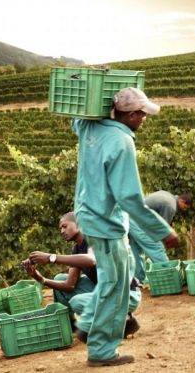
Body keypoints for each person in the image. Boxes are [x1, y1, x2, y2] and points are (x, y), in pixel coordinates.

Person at [72, 87, 181, 367]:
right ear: (130, 115)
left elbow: (76, 117)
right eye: (142, 115)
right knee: (116, 285)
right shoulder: (122, 142)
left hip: (89, 216)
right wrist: (162, 231)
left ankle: (88, 326)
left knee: (117, 278)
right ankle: (101, 350)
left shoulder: (89, 127)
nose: (144, 119)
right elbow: (129, 197)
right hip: (106, 222)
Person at [23, 212, 97, 310]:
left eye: (65, 226)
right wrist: (40, 278)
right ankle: (68, 323)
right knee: (59, 278)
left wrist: (51, 258)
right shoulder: (76, 249)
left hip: (114, 289)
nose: (62, 231)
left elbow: (91, 259)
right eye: (61, 228)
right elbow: (69, 285)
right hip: (98, 285)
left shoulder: (93, 238)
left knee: (77, 302)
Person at [132, 191, 191, 282]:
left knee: (136, 250)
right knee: (157, 248)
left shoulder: (168, 195)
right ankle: (170, 277)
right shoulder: (171, 206)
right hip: (139, 221)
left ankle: (138, 279)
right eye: (185, 207)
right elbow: (162, 228)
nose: (184, 210)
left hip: (131, 217)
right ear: (182, 201)